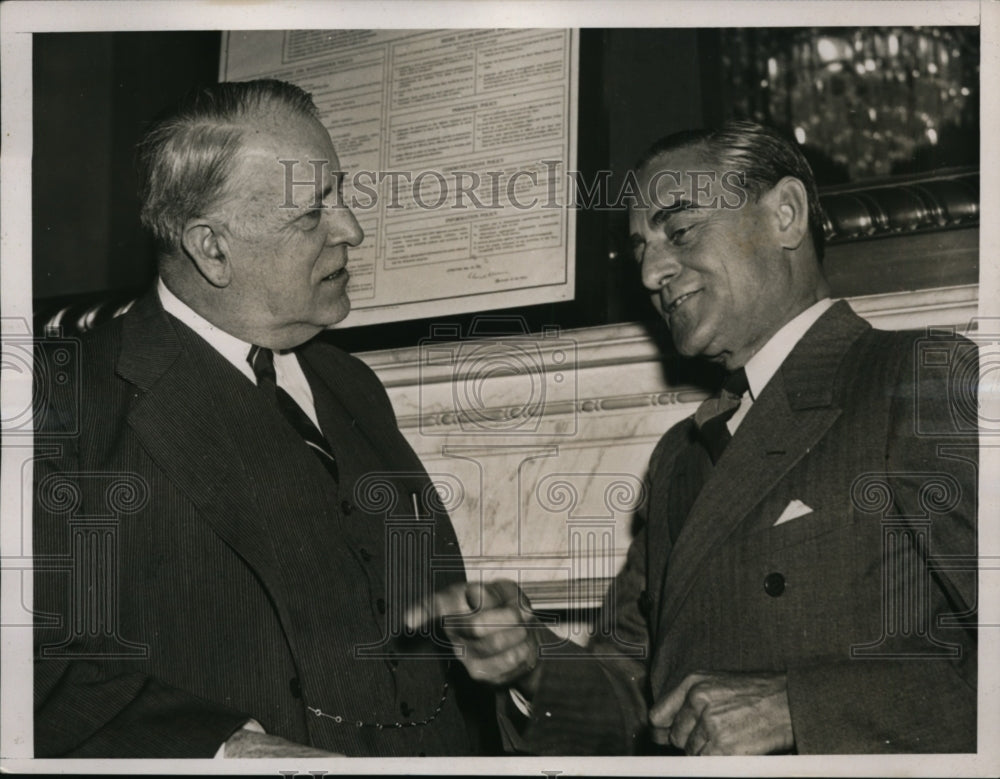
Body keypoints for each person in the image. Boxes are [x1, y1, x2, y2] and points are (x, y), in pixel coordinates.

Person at [410, 121, 978, 754]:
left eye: (679, 230)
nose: (652, 271)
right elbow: (632, 691)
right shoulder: (681, 453)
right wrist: (530, 663)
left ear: (785, 215)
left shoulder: (915, 376)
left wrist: (798, 708)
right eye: (639, 251)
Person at [33, 79, 496, 758]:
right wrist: (217, 750)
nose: (352, 229)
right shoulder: (65, 403)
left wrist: (495, 651)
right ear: (210, 248)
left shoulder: (351, 384)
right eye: (312, 214)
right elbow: (35, 665)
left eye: (338, 193)